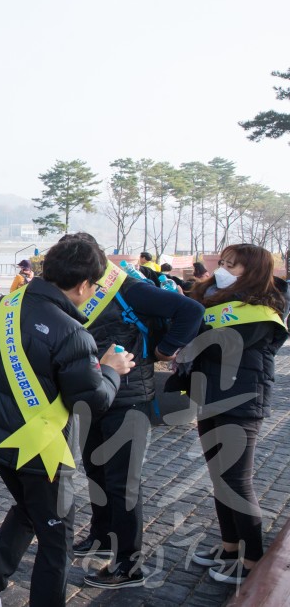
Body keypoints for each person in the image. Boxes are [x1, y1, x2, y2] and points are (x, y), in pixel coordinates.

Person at [0, 237, 134, 607]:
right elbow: (93, 400)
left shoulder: (0, 305)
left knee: (29, 508)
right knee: (56, 543)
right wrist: (112, 369)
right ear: (85, 285)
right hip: (43, 447)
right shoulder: (73, 333)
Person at [62, 235, 204, 589]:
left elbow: (191, 311)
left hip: (130, 400)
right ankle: (101, 535)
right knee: (96, 470)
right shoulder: (79, 289)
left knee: (123, 483)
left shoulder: (129, 288)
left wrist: (164, 350)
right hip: (97, 394)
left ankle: (129, 564)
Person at [184, 244, 289, 585]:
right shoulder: (213, 299)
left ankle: (253, 560)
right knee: (219, 477)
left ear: (254, 272)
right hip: (210, 396)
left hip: (241, 402)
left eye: (233, 265)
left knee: (236, 482)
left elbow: (218, 344)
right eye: (224, 262)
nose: (223, 268)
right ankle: (230, 547)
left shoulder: (260, 310)